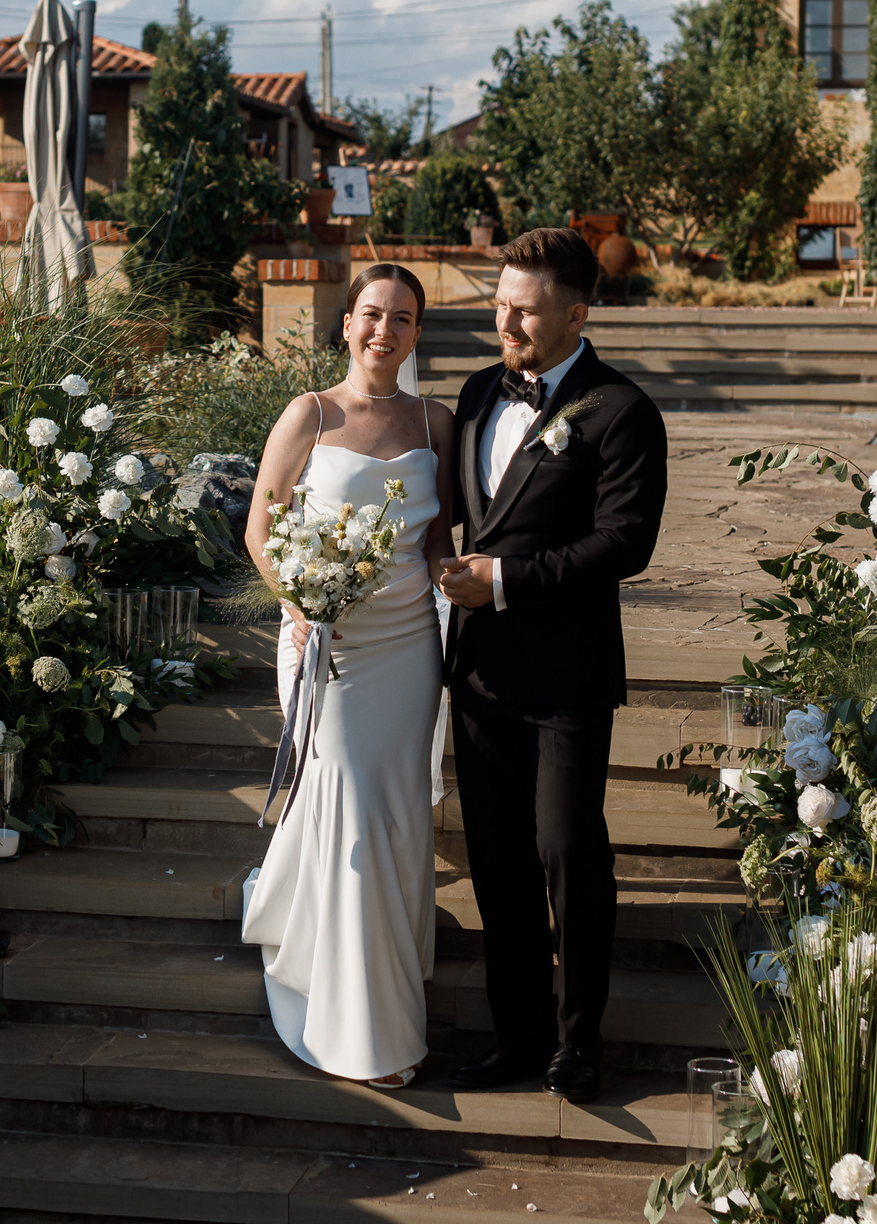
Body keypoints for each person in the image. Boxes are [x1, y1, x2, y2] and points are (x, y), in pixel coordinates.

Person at [435, 226, 669, 1102]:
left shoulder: (623, 411)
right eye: (501, 305)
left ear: (576, 315)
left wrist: (503, 581)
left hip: (567, 672)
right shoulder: (473, 393)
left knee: (568, 853)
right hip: (480, 674)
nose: (506, 324)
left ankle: (579, 1042)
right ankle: (519, 1035)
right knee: (497, 862)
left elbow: (624, 544)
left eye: (526, 312)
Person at [239, 263, 461, 1089]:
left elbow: (436, 539)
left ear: (416, 333)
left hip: (409, 646)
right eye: (371, 313)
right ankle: (366, 1028)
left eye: (402, 318)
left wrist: (452, 581)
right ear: (346, 324)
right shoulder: (311, 413)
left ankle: (383, 966)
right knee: (352, 804)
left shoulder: (437, 422)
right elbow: (262, 527)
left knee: (396, 812)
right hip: (326, 641)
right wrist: (297, 600)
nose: (384, 330)